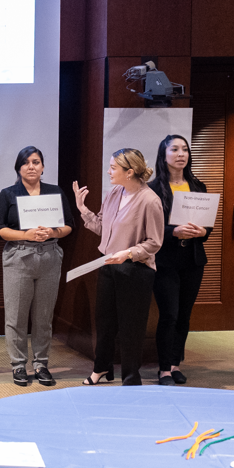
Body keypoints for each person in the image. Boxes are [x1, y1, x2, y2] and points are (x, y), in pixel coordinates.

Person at [73, 148, 164, 386]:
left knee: (130, 327)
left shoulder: (150, 200)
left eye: (113, 167)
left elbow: (155, 242)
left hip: (136, 271)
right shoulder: (114, 192)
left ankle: (131, 377)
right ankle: (101, 368)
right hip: (109, 266)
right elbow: (103, 227)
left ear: (130, 172)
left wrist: (129, 253)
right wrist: (83, 209)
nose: (109, 171)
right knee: (104, 322)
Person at [0, 146, 75, 387]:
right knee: (16, 315)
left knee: (43, 316)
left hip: (49, 256)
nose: (31, 166)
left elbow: (69, 225)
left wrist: (53, 231)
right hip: (19, 256)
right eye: (26, 162)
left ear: (43, 167)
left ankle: (41, 364)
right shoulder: (8, 194)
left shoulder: (54, 192)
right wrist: (24, 234)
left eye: (36, 162)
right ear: (18, 167)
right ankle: (18, 364)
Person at [148, 135, 212, 386]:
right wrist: (172, 232)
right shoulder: (151, 190)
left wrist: (203, 232)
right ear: (164, 155)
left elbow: (208, 226)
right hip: (165, 260)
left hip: (193, 260)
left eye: (184, 149)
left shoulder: (198, 186)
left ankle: (175, 364)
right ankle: (163, 369)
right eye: (174, 149)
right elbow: (147, 229)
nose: (181, 154)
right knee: (169, 315)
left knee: (184, 315)